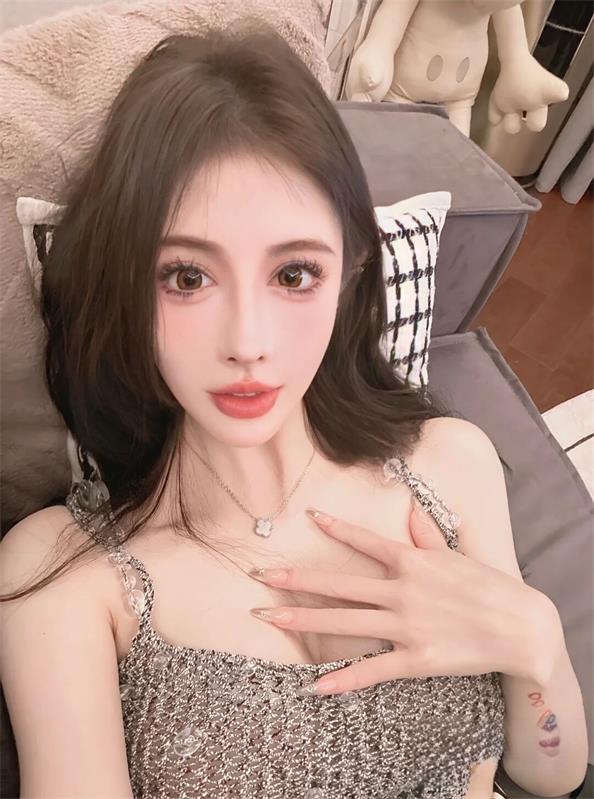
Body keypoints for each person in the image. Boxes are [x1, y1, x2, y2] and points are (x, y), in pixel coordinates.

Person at [0, 18, 560, 799]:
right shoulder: (64, 574)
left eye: (293, 275)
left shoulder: (450, 464)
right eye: (187, 278)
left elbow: (551, 768)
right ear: (126, 287)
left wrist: (536, 638)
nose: (248, 343)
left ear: (349, 274)